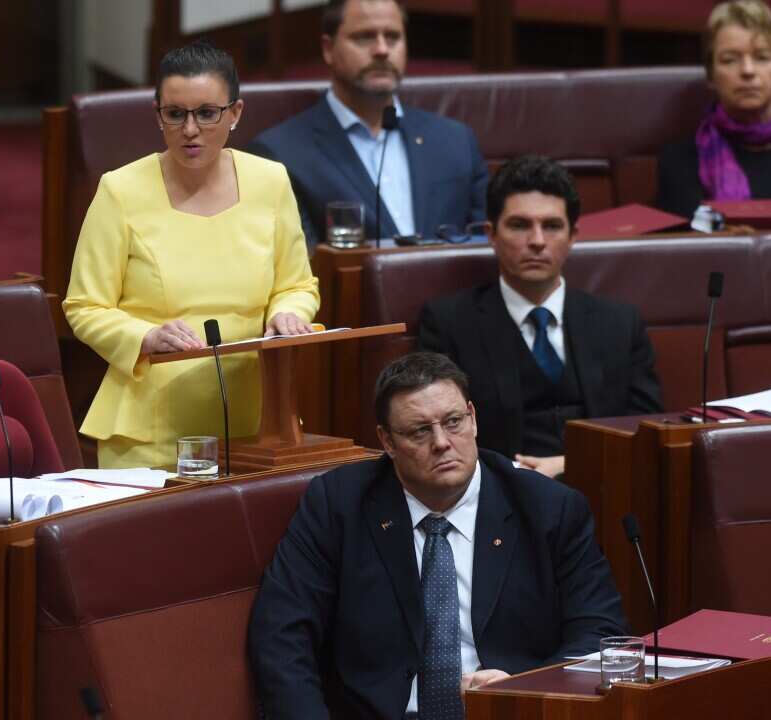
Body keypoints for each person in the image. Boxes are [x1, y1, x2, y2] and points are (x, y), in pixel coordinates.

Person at [248, 352, 625, 719]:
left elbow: (598, 631)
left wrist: (526, 691)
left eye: (453, 422)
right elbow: (282, 633)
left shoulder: (548, 508)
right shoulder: (338, 505)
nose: (442, 442)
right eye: (419, 431)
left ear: (473, 418)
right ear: (387, 442)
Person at [63, 41, 321, 469]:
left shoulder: (270, 180)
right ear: (158, 115)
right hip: (150, 434)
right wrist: (144, 338)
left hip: (258, 422)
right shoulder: (119, 190)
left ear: (235, 113)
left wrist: (289, 313)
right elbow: (85, 305)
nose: (190, 129)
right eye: (175, 114)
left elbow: (296, 284)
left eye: (206, 113)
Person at [417, 155, 663, 478]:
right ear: (492, 234)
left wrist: (570, 464)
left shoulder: (619, 322)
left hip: (607, 487)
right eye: (519, 225)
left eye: (552, 226)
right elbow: (437, 434)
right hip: (497, 497)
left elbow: (647, 432)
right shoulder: (449, 323)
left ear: (573, 235)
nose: (536, 241)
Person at [249, 0, 487, 246]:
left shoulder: (456, 141)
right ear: (328, 49)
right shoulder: (280, 156)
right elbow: (299, 270)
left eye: (393, 37)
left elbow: (487, 247)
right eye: (365, 37)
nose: (382, 50)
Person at [656, 0, 771, 218]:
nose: (748, 71)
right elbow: (687, 231)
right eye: (730, 60)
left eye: (762, 57)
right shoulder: (681, 162)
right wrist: (733, 233)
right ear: (710, 75)